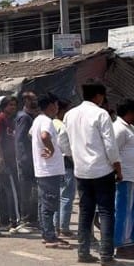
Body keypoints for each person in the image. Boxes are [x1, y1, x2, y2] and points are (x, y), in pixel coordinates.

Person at [64, 83, 122, 266]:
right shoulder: (101, 114)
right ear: (98, 96)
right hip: (101, 169)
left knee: (85, 211)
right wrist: (117, 167)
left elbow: (63, 142)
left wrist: (75, 157)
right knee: (106, 212)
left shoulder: (70, 114)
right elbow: (110, 145)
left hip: (81, 170)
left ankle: (83, 251)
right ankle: (106, 255)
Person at [31, 94, 69, 249]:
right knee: (49, 204)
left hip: (44, 169)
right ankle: (50, 236)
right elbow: (44, 135)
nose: (57, 108)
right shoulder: (46, 121)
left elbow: (31, 134)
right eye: (56, 105)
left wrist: (40, 147)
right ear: (51, 105)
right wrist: (51, 149)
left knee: (44, 204)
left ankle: (47, 233)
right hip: (49, 170)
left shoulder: (37, 120)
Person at [113, 100, 134, 259]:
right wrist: (117, 172)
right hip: (124, 176)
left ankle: (130, 242)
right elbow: (113, 152)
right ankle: (120, 245)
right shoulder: (119, 129)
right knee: (123, 212)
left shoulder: (130, 129)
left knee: (132, 211)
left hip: (133, 176)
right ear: (129, 112)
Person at [0, 96, 24, 232]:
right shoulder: (0, 119)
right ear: (4, 106)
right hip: (5, 161)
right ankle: (14, 221)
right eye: (10, 105)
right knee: (11, 190)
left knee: (3, 191)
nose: (13, 107)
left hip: (11, 159)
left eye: (14, 105)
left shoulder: (11, 120)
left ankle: (3, 221)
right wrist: (0, 159)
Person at [13, 91, 39, 231]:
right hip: (26, 159)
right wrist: (24, 158)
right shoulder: (24, 118)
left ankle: (30, 217)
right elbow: (20, 140)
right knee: (27, 190)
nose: (35, 101)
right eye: (33, 99)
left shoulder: (26, 116)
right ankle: (27, 218)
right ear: (27, 101)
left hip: (28, 158)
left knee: (29, 189)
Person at [55, 101, 76, 238]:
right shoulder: (61, 125)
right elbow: (64, 143)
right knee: (67, 196)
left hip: (55, 164)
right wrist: (72, 157)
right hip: (66, 163)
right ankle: (64, 227)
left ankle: (57, 225)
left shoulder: (51, 123)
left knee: (58, 196)